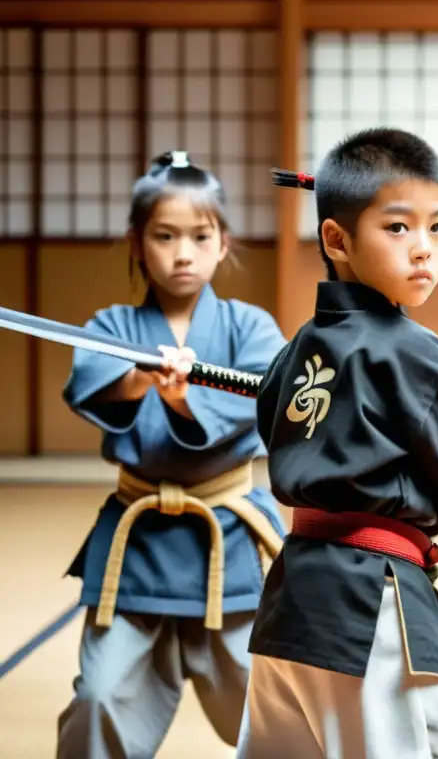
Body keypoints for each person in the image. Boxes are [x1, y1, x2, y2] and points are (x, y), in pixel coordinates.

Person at [236, 128, 438, 759]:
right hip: (371, 599)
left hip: (293, 594)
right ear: (337, 240)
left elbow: (272, 425)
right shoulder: (409, 348)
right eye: (398, 229)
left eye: (437, 228)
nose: (424, 249)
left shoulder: (299, 346)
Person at [58, 151, 288, 758]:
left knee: (271, 703)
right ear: (137, 243)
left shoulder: (251, 328)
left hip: (231, 543)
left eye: (198, 236)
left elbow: (274, 397)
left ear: (222, 243)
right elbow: (92, 383)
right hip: (137, 551)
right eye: (164, 236)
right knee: (100, 696)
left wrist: (188, 403)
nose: (182, 252)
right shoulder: (111, 325)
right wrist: (136, 381)